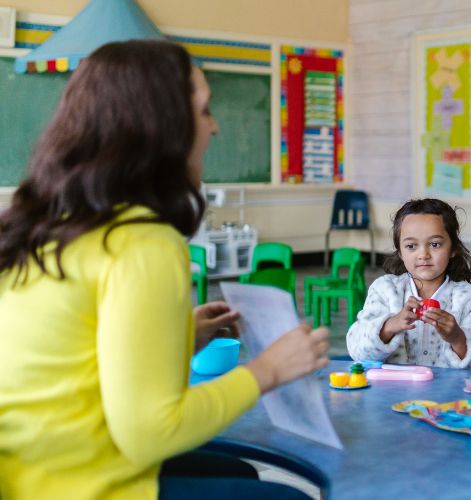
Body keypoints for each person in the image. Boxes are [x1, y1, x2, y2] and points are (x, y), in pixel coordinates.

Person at [0, 40, 329, 500]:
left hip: (29, 473)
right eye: (205, 110)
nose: (214, 128)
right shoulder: (142, 242)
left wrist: (177, 337)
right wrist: (268, 370)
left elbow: (74, 364)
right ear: (160, 126)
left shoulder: (50, 224)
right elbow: (151, 432)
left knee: (242, 472)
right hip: (78, 485)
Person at [346, 198, 471, 370]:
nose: (423, 254)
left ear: (453, 249)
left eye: (435, 244)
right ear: (399, 251)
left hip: (448, 395)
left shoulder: (470, 298)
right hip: (392, 394)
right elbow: (357, 351)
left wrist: (457, 338)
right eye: (411, 246)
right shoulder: (384, 290)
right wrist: (390, 325)